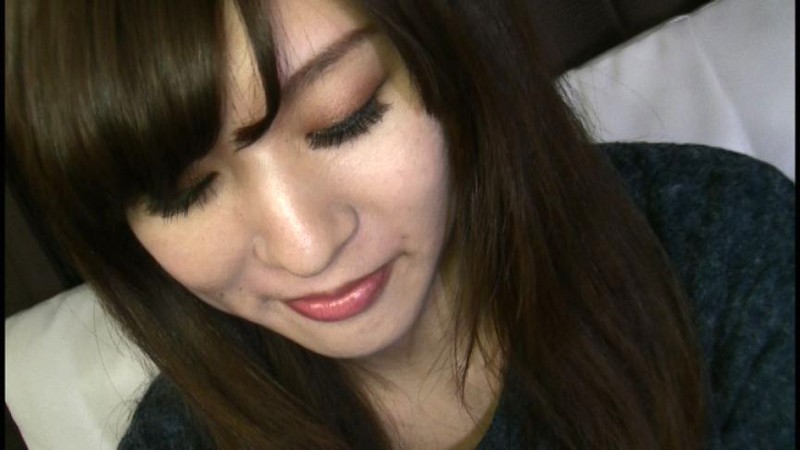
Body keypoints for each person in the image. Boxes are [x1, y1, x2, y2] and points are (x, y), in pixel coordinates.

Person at [5, 0, 794, 448]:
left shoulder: (723, 251)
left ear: (458, 52)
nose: (305, 248)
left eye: (344, 117)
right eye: (183, 196)